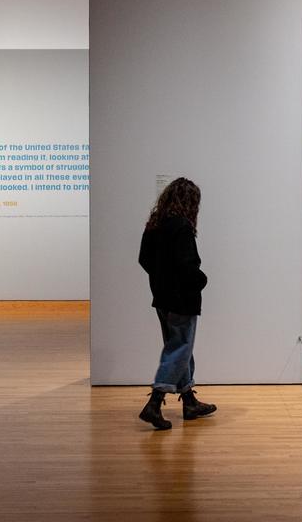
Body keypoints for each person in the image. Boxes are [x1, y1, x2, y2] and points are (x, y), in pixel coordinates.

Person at [137, 177, 217, 430]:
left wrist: (162, 279)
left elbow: (144, 259)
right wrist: (201, 280)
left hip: (162, 297)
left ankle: (190, 401)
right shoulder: (181, 226)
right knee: (179, 348)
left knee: (180, 348)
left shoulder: (155, 224)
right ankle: (155, 402)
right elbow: (186, 265)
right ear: (190, 202)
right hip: (182, 298)